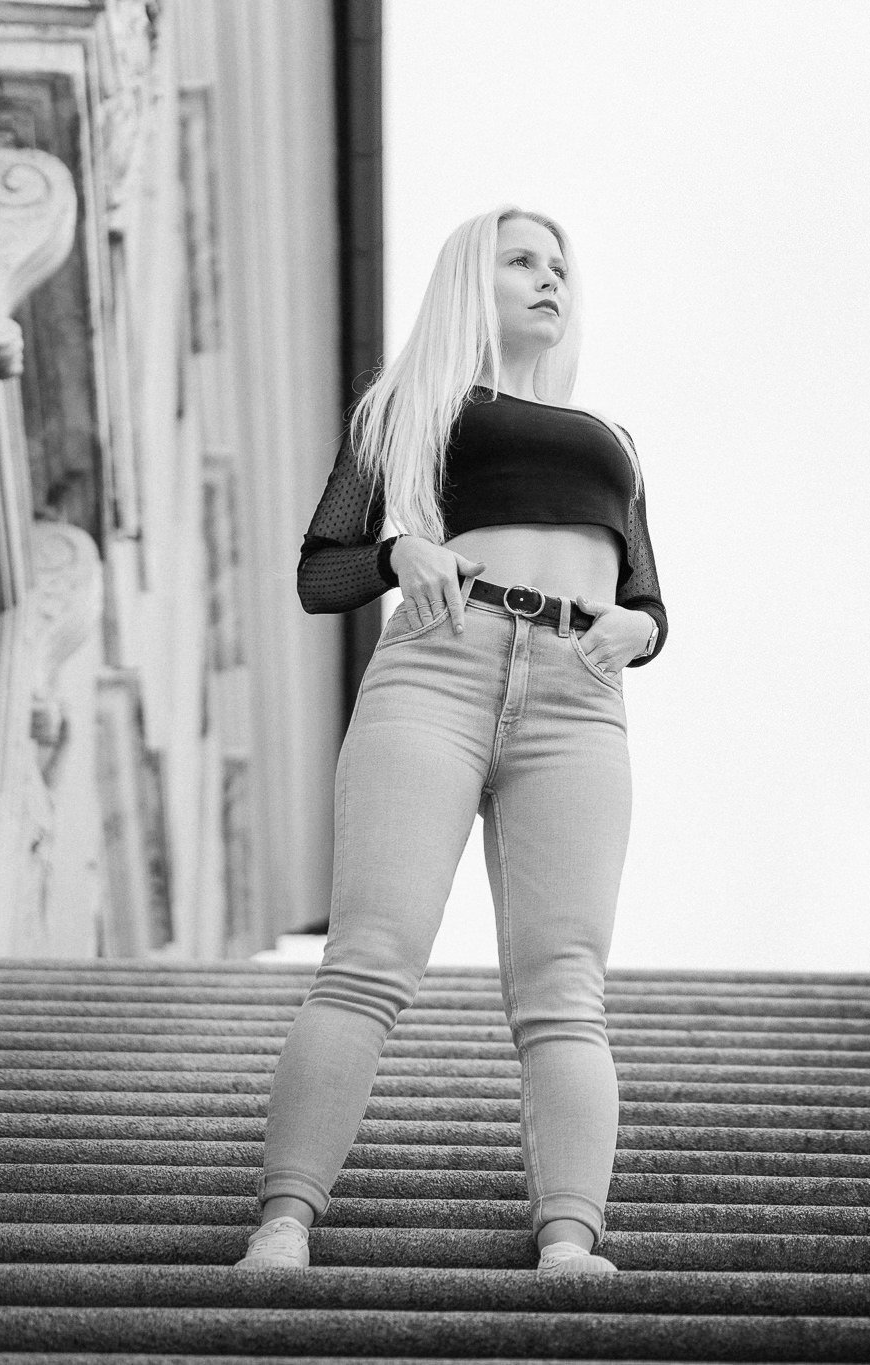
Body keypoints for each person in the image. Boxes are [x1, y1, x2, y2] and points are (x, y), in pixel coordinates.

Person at [235, 205, 666, 1275]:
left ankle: (570, 1241)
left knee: (566, 984)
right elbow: (322, 572)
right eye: (520, 260)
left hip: (579, 693)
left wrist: (637, 627)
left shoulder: (614, 443)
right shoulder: (409, 407)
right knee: (370, 960)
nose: (547, 278)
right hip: (437, 665)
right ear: (473, 279)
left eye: (560, 265)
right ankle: (282, 1225)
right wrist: (400, 551)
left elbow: (652, 599)